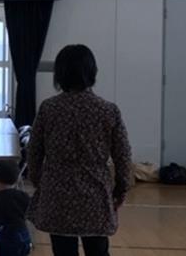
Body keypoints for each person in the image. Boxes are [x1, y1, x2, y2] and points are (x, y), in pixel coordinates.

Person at [27, 44, 133, 256]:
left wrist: (41, 183)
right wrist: (121, 189)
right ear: (92, 72)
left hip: (57, 194)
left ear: (60, 74)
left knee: (63, 252)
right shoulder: (108, 110)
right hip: (96, 194)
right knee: (98, 252)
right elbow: (123, 155)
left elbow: (34, 152)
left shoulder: (49, 108)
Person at [0, 159, 32, 256]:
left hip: (8, 237)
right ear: (17, 179)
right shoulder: (24, 196)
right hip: (25, 235)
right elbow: (28, 213)